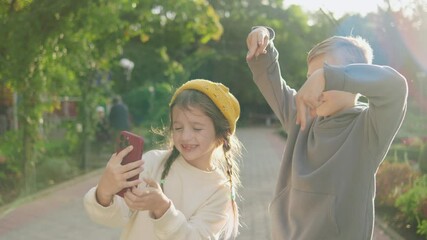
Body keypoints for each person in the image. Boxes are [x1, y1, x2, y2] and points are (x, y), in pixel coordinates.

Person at [246, 26, 408, 239]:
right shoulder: (302, 116)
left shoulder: (368, 129)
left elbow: (395, 87)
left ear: (352, 80)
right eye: (310, 77)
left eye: (323, 75)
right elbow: (269, 78)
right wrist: (261, 43)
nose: (315, 85)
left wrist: (327, 76)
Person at [84, 79, 243, 240]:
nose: (185, 136)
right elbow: (116, 217)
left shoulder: (219, 190)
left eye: (197, 128)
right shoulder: (152, 163)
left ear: (222, 136)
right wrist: (104, 191)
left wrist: (163, 210)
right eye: (178, 128)